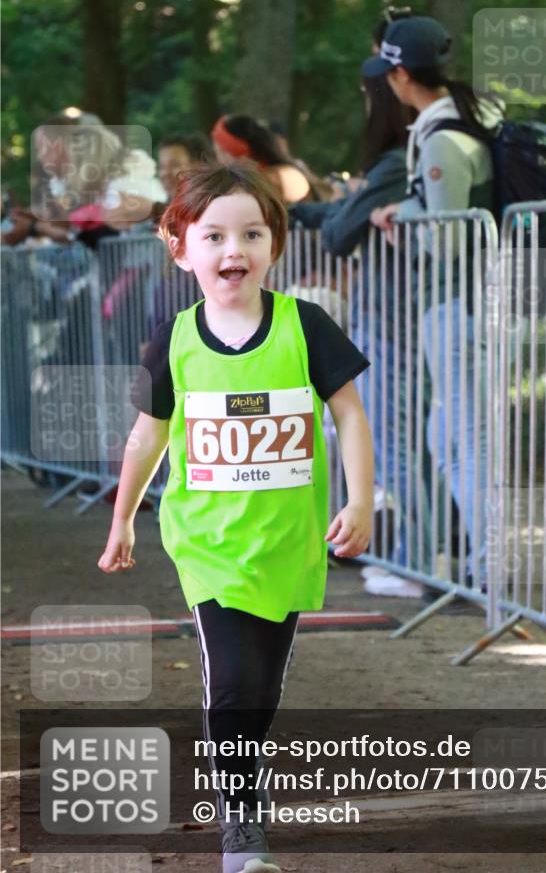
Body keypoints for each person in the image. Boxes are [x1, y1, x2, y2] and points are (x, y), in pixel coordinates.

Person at [97, 161, 373, 873]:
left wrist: (360, 498)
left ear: (274, 244)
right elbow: (146, 435)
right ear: (179, 245)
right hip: (208, 543)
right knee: (234, 679)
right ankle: (240, 831)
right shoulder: (172, 339)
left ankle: (241, 786)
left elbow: (348, 413)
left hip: (287, 541)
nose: (234, 250)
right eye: (214, 235)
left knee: (264, 683)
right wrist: (123, 517)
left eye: (251, 233)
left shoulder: (304, 325)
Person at [367, 16, 504, 590]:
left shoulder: (442, 136)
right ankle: (482, 562)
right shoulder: (470, 120)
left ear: (401, 75)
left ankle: (491, 567)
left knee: (463, 437)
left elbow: (446, 239)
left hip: (458, 303)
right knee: (450, 436)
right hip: (471, 304)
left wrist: (407, 216)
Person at [290, 73, 430, 597]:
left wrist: (347, 209)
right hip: (394, 314)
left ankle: (415, 561)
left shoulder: (398, 162)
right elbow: (341, 218)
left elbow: (338, 231)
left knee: (396, 441)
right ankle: (414, 557)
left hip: (396, 317)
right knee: (406, 440)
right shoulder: (401, 160)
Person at [211, 114, 313, 205]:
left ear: (236, 152)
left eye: (220, 152)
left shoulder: (275, 179)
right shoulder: (273, 174)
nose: (217, 159)